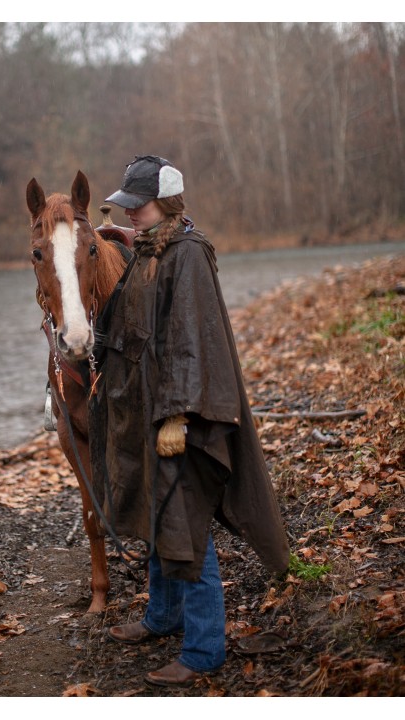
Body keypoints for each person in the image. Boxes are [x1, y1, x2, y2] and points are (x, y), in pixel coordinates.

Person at [89, 155, 290, 688]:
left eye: (139, 205)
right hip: (146, 408)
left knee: (186, 523)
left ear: (168, 203)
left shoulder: (189, 255)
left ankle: (203, 648)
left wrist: (177, 415)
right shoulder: (149, 248)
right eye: (128, 206)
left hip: (185, 414)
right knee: (157, 515)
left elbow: (189, 341)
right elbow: (128, 325)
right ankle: (163, 616)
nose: (131, 214)